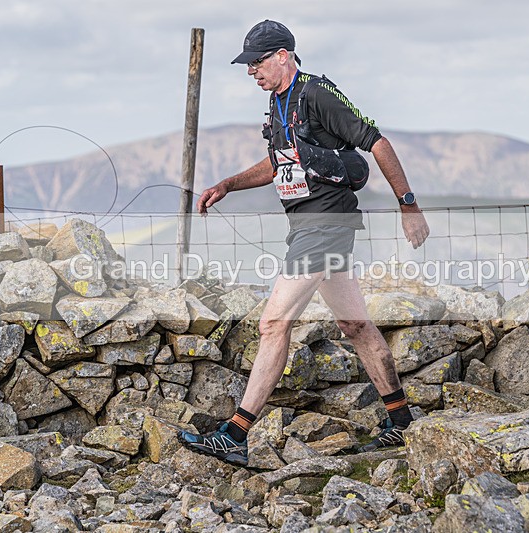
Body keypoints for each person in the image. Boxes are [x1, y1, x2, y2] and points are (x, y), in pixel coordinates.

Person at [179, 20, 430, 466]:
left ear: (283, 56)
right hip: (310, 227)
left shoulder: (317, 94)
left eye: (256, 63)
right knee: (355, 326)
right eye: (247, 66)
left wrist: (408, 205)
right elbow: (277, 164)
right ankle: (402, 421)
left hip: (326, 225)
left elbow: (377, 142)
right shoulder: (277, 104)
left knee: (273, 325)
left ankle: (235, 435)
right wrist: (228, 185)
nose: (251, 72)